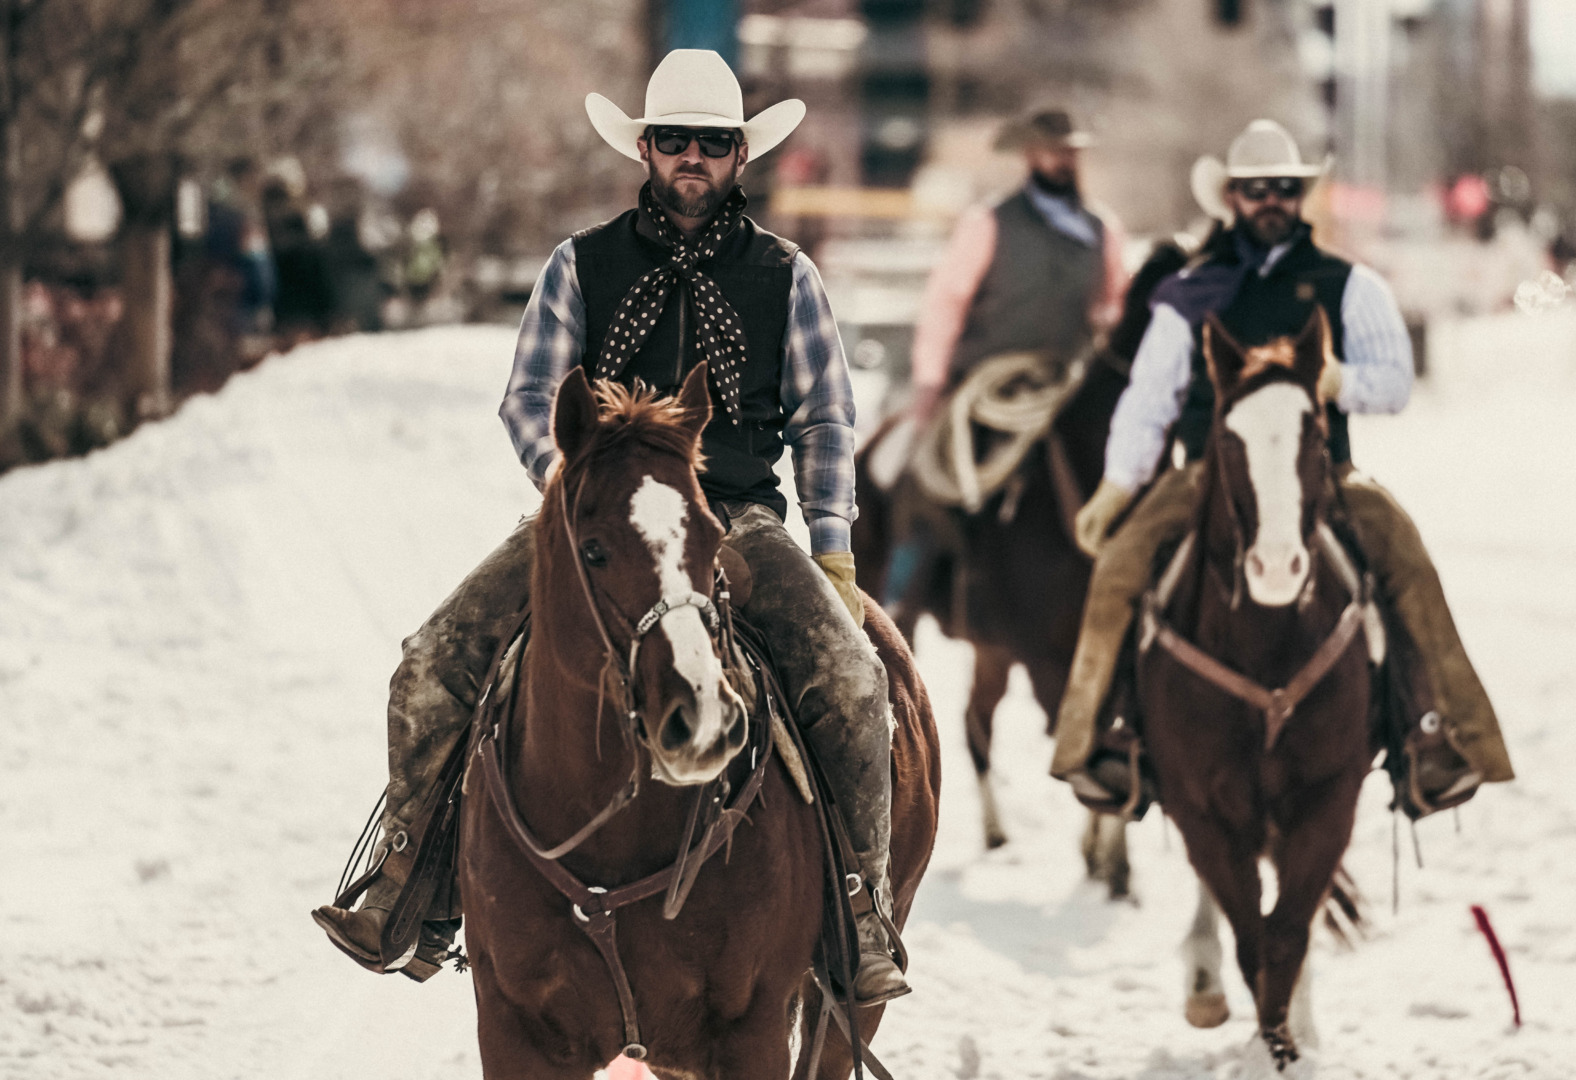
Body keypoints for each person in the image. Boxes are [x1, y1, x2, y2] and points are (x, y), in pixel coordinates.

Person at [312, 49, 910, 1003]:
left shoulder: (786, 274)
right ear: (644, 145)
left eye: (712, 143)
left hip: (734, 516)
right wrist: (576, 499)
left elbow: (826, 418)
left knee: (852, 677)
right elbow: (527, 399)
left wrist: (831, 546)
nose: (691, 158)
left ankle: (858, 908)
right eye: (673, 139)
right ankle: (410, 889)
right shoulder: (578, 263)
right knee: (432, 661)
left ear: (739, 156)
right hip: (586, 516)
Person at [1049, 119, 1515, 815]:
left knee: (1406, 558)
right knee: (1120, 568)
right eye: (1254, 189)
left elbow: (1393, 382)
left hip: (1326, 476)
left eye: (1283, 189)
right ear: (1231, 199)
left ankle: (1437, 736)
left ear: (1299, 197)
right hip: (1205, 472)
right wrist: (1119, 486)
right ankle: (1103, 740)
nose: (1269, 200)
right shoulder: (1188, 291)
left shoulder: (1350, 286)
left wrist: (1337, 383)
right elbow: (1150, 401)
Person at [877, 108, 1130, 614]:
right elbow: (945, 304)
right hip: (985, 383)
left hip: (1064, 382)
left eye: (1068, 151)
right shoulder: (988, 222)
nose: (1061, 160)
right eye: (1051, 150)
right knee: (928, 484)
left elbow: (1113, 303)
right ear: (1029, 156)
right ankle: (902, 598)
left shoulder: (1103, 230)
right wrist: (931, 383)